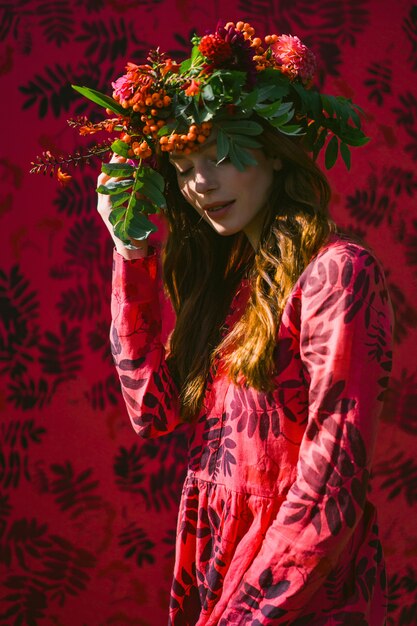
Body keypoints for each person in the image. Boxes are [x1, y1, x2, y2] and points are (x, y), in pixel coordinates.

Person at [95, 22, 393, 626]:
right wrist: (130, 255)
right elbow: (151, 411)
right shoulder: (226, 287)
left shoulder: (337, 275)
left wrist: (247, 611)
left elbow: (335, 473)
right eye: (182, 166)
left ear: (277, 155)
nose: (200, 183)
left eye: (220, 155)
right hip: (217, 562)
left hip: (298, 585)